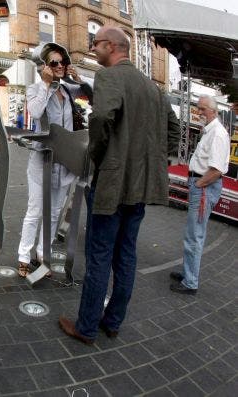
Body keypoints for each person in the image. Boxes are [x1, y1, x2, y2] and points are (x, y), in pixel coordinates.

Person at [58, 26, 180, 345]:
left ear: (112, 46)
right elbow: (174, 128)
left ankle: (86, 327)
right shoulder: (152, 88)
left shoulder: (110, 77)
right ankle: (112, 321)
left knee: (99, 255)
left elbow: (100, 119)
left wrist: (97, 154)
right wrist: (157, 159)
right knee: (125, 256)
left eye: (95, 43)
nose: (92, 48)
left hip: (111, 183)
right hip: (139, 186)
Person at [17, 43, 92, 279]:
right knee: (36, 210)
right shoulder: (35, 88)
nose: (60, 66)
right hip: (42, 160)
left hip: (65, 161)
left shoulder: (70, 90)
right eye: (54, 63)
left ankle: (43, 255)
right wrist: (47, 85)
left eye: (63, 62)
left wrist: (79, 79)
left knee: (54, 212)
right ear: (45, 67)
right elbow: (37, 112)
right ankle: (23, 256)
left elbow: (92, 97)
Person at [170, 96, 230, 295]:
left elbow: (216, 170)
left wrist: (198, 184)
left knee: (194, 236)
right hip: (202, 185)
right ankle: (189, 274)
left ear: (213, 110)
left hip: (204, 186)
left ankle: (190, 282)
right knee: (192, 234)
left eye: (202, 109)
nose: (199, 112)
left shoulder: (218, 134)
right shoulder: (211, 131)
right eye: (198, 109)